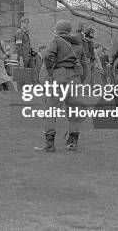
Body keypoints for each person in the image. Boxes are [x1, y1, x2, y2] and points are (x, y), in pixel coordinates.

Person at [38, 20, 85, 152]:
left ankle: (50, 145)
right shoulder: (78, 43)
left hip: (59, 77)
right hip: (74, 78)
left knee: (50, 111)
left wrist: (50, 71)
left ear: (58, 30)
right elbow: (85, 65)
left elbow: (47, 55)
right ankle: (73, 143)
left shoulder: (57, 41)